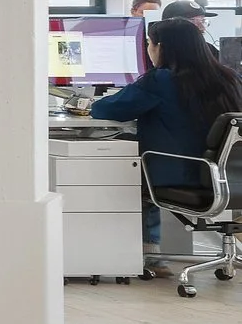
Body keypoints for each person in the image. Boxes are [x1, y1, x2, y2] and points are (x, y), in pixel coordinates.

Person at [89, 20, 242, 255]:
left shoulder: (160, 80)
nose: (148, 50)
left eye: (149, 44)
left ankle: (146, 253)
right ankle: (150, 251)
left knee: (124, 165)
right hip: (230, 177)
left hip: (182, 175)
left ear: (161, 47)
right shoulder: (230, 78)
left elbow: (106, 110)